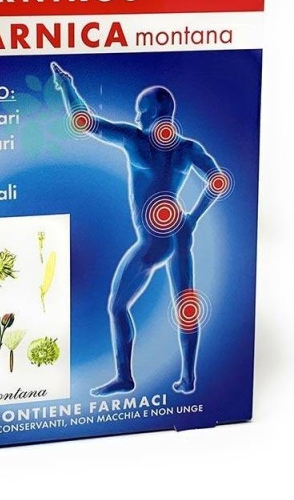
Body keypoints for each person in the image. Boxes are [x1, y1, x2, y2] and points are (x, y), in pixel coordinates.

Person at [51, 61, 226, 396]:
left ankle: (125, 377)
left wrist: (67, 86)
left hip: (155, 240)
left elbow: (85, 122)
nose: (137, 117)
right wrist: (191, 219)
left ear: (157, 112)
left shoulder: (135, 140)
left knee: (118, 305)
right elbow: (216, 180)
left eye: (141, 110)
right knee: (185, 303)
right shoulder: (187, 149)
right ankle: (188, 378)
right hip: (179, 231)